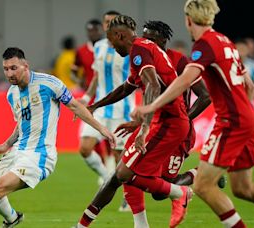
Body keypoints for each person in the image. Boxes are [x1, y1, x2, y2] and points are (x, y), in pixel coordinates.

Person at [131, 0, 254, 227]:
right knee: (245, 189)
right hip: (247, 116)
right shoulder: (225, 40)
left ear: (188, 20)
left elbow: (186, 79)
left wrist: (150, 106)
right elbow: (248, 82)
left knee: (203, 186)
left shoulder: (204, 45)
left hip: (231, 121)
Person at [0, 47, 116, 228]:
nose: (9, 73)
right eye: (6, 69)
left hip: (39, 155)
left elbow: (75, 106)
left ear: (25, 66)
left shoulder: (49, 83)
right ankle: (13, 218)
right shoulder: (11, 94)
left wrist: (101, 128)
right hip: (18, 151)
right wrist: (6, 144)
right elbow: (22, 124)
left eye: (14, 68)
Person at [75, 15, 193, 228]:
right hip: (160, 120)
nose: (111, 46)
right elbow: (126, 88)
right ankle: (82, 225)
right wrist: (94, 106)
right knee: (117, 176)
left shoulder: (139, 50)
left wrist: (143, 129)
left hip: (169, 123)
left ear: (119, 35)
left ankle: (180, 192)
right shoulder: (141, 50)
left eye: (111, 41)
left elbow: (153, 86)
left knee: (127, 174)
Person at [114, 20, 212, 228]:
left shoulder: (179, 61)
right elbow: (129, 88)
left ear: (163, 39)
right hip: (158, 126)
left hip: (177, 130)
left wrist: (184, 120)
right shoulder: (146, 59)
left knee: (158, 189)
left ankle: (202, 174)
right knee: (150, 182)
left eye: (151, 37)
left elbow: (204, 97)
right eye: (144, 35)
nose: (146, 40)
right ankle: (197, 178)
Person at [77, 10, 135, 212]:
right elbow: (95, 77)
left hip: (123, 110)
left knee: (122, 160)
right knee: (85, 147)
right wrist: (85, 98)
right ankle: (105, 177)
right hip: (101, 109)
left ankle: (128, 198)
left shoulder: (129, 48)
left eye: (113, 22)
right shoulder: (99, 47)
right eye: (106, 22)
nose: (108, 25)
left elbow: (137, 79)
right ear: (103, 25)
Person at [71, 19, 104, 90]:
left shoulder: (110, 48)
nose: (93, 33)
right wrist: (79, 82)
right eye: (90, 31)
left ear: (102, 31)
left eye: (95, 30)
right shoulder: (81, 50)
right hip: (89, 91)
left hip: (107, 91)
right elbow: (73, 71)